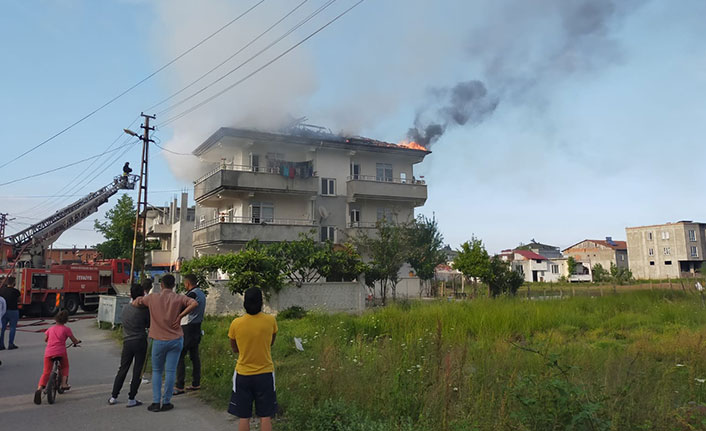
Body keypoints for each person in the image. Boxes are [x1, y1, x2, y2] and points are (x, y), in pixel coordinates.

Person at [132, 274, 197, 412]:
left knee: (157, 371)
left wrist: (137, 300)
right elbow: (194, 303)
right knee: (171, 371)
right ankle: (166, 401)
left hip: (159, 340)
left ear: (161, 285)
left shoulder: (152, 298)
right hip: (175, 339)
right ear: (173, 285)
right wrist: (180, 315)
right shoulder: (179, 298)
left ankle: (156, 402)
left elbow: (137, 302)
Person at [227, 287, 278, 431]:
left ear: (245, 303)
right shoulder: (270, 321)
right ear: (261, 302)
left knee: (244, 416)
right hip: (265, 373)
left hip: (243, 374)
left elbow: (234, 348)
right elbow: (271, 342)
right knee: (265, 415)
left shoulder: (236, 323)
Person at [109, 284, 150, 407]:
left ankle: (114, 396)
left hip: (127, 341)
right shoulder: (144, 310)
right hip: (140, 340)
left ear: (131, 294)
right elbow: (149, 324)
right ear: (142, 294)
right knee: (137, 370)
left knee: (123, 368)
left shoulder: (125, 308)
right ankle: (131, 398)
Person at [34, 309, 81, 405]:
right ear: (66, 320)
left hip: (49, 353)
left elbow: (45, 339)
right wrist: (77, 342)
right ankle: (63, 384)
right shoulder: (66, 329)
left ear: (56, 319)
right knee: (65, 367)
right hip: (61, 352)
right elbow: (74, 340)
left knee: (46, 372)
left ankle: (39, 388)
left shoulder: (50, 329)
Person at [174, 274, 206, 395]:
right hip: (197, 327)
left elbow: (182, 307)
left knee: (180, 355)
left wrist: (179, 315)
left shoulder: (192, 295)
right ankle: (196, 382)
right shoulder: (201, 293)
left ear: (187, 283)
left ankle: (180, 385)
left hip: (188, 326)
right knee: (194, 355)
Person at [0, 276, 21, 350]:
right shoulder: (16, 291)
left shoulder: (1, 291)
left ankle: (1, 345)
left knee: (2, 328)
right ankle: (10, 344)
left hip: (3, 311)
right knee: (12, 328)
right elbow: (19, 300)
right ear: (14, 283)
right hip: (13, 311)